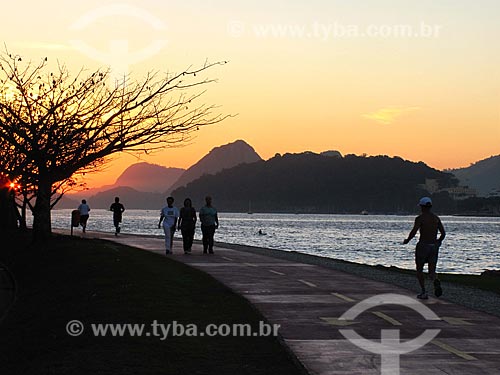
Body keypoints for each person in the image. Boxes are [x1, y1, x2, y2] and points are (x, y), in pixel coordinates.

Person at [403, 197, 446, 299]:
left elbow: (414, 231)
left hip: (423, 245)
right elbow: (443, 234)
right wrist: (438, 242)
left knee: (419, 269)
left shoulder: (420, 218)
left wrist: (407, 240)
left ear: (422, 207)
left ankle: (424, 292)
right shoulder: (436, 218)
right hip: (433, 246)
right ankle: (435, 280)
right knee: (432, 271)